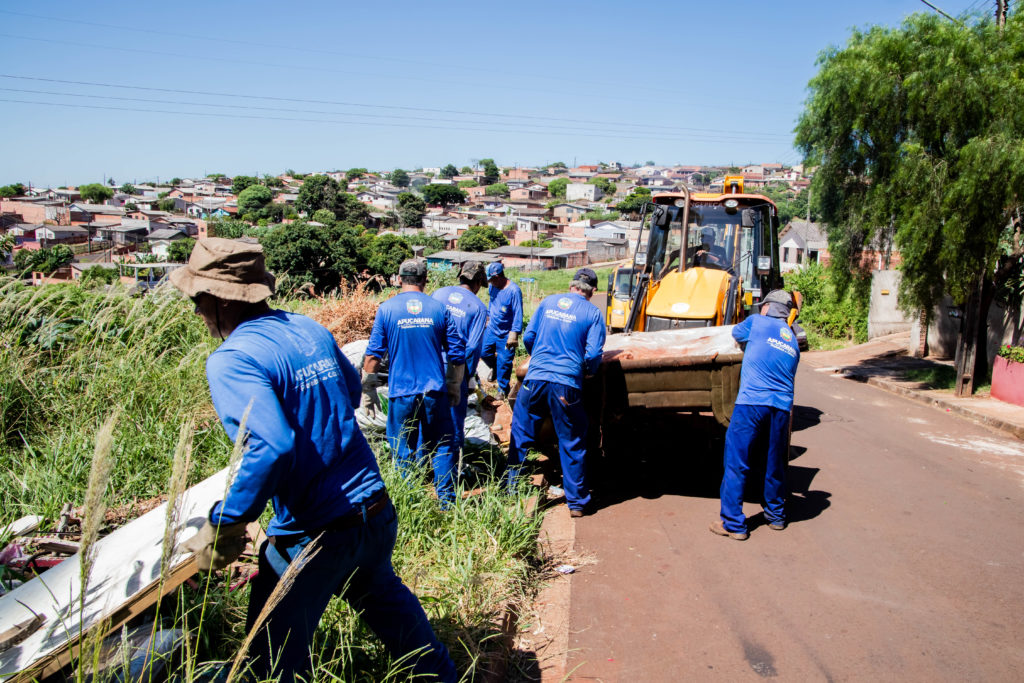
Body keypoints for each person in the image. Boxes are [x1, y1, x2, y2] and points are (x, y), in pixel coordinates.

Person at [171, 238, 456, 683]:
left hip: (315, 534)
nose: (195, 311)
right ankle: (444, 676)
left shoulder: (232, 359)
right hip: (374, 512)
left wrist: (226, 522)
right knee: (389, 607)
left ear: (218, 299)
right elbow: (347, 392)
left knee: (268, 660)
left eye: (197, 299)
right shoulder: (307, 328)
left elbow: (272, 446)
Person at [363, 259, 466, 509]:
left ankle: (410, 505)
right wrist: (453, 386)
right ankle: (447, 505)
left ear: (399, 279)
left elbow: (373, 355)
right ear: (425, 279)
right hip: (434, 391)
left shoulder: (387, 309)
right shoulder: (439, 309)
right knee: (442, 446)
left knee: (402, 449)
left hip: (401, 393)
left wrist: (368, 390)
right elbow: (457, 353)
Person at [506, 268, 606, 517]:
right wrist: (587, 371)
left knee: (520, 433)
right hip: (566, 384)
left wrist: (537, 354)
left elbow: (529, 336)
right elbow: (593, 354)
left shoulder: (548, 301)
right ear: (592, 291)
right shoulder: (593, 312)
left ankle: (510, 490)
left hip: (534, 380)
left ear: (571, 285)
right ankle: (577, 504)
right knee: (571, 440)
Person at [711, 289, 800, 541]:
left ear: (768, 308)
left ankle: (733, 524)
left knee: (737, 460)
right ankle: (776, 516)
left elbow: (736, 333)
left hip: (752, 402)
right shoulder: (792, 339)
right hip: (781, 408)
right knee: (774, 463)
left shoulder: (756, 322)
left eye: (763, 305)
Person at [432, 260, 488, 463]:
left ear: (461, 276)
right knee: (454, 423)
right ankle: (453, 472)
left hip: (429, 365)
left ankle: (423, 469)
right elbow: (472, 347)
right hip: (455, 369)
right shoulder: (479, 308)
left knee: (426, 418)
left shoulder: (438, 294)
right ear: (479, 283)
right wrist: (467, 376)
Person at [480, 261, 523, 397]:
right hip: (492, 329)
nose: (490, 283)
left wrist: (514, 333)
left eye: (491, 280)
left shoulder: (514, 291)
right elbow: (491, 304)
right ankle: (495, 368)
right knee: (483, 352)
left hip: (506, 333)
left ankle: (502, 390)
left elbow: (518, 313)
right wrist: (487, 319)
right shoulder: (492, 287)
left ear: (497, 277)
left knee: (504, 362)